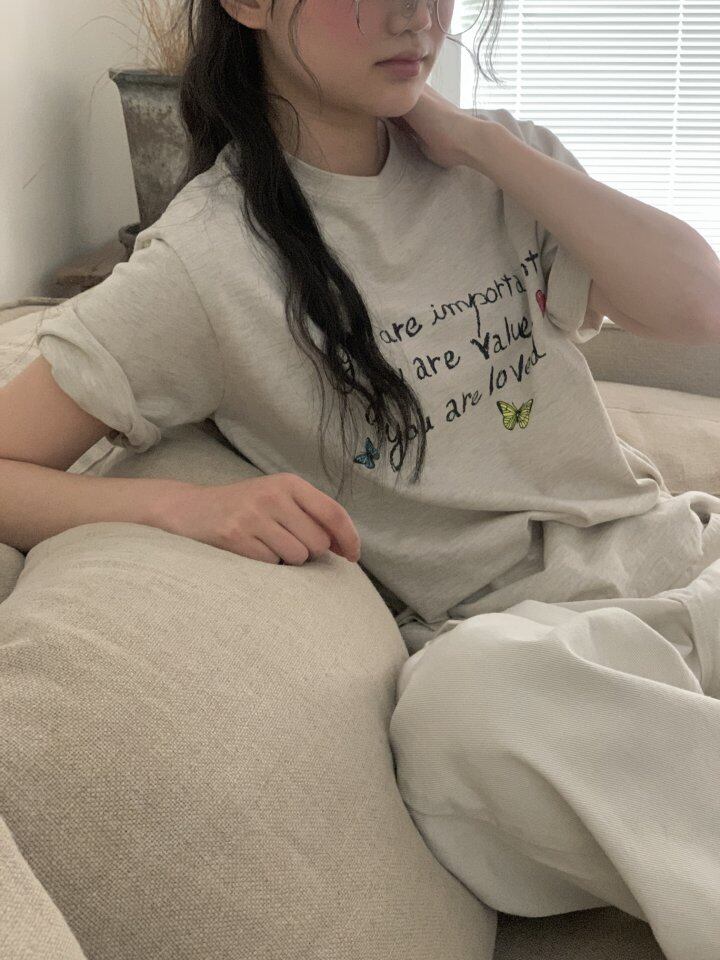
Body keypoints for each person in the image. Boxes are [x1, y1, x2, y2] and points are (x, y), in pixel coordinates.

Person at [1, 1, 720, 957]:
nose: (416, 14)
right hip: (547, 656)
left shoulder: (497, 162)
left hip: (691, 566)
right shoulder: (207, 261)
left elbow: (698, 305)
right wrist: (182, 507)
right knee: (457, 717)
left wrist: (479, 144)